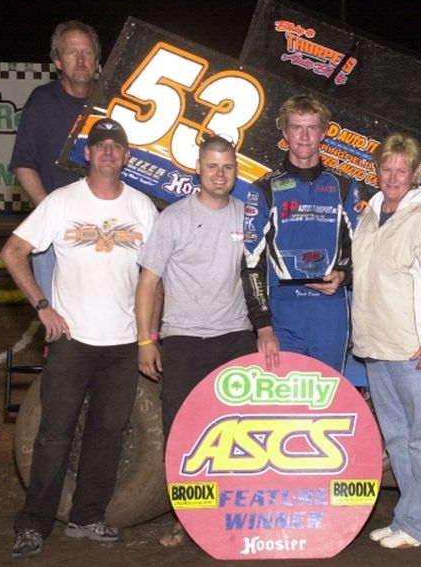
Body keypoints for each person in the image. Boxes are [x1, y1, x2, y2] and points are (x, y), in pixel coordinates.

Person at [1, 118, 158, 559]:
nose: (108, 152)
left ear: (127, 156)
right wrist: (41, 305)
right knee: (54, 433)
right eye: (100, 145)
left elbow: (154, 277)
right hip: (73, 340)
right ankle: (33, 525)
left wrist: (148, 333)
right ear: (87, 154)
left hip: (124, 343)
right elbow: (12, 252)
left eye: (117, 146)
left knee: (108, 434)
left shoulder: (143, 207)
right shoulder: (61, 202)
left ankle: (87, 517)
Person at [135, 134, 257, 547]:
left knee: (237, 434)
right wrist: (145, 341)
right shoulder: (174, 217)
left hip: (236, 338)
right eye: (212, 167)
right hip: (184, 339)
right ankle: (186, 519)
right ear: (198, 170)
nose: (220, 174)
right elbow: (147, 282)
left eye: (228, 167)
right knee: (186, 436)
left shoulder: (248, 216)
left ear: (236, 171)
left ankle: (232, 515)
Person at [351, 133, 421, 549]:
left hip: (419, 350)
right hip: (377, 346)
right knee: (397, 438)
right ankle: (405, 520)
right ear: (377, 171)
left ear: (416, 174)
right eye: (387, 169)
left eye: (402, 170)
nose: (393, 177)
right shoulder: (371, 213)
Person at [242, 93, 359, 373]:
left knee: (327, 400)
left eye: (312, 128)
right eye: (296, 127)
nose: (304, 136)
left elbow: (361, 251)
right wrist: (263, 326)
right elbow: (250, 263)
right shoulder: (263, 190)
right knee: (282, 405)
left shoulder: (343, 187)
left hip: (330, 310)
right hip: (283, 311)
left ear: (324, 132)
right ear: (284, 132)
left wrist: (344, 275)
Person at [10, 20, 101, 303]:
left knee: (106, 315)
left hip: (107, 231)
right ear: (57, 61)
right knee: (56, 321)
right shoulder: (41, 101)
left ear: (97, 60)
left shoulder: (111, 102)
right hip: (54, 235)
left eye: (87, 52)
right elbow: (23, 164)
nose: (81, 59)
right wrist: (52, 215)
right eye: (72, 52)